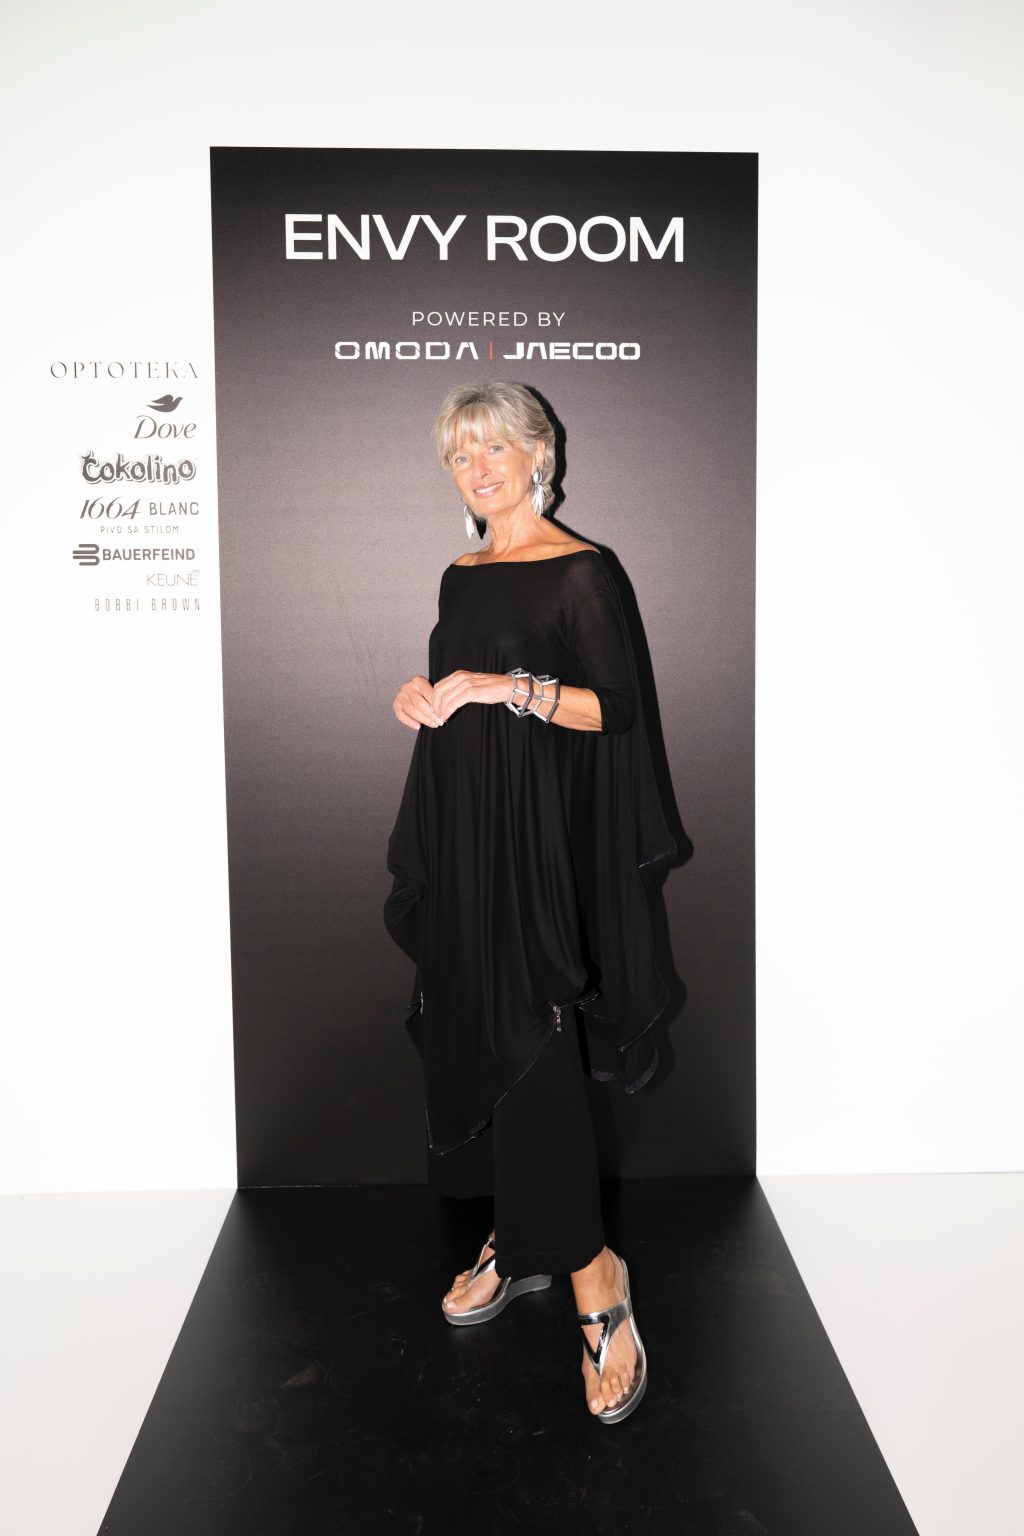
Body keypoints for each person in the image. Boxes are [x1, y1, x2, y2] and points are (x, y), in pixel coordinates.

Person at [383, 381, 678, 1424]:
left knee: (537, 1032)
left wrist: (505, 686)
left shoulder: (583, 571)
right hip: (465, 831)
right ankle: (522, 1233)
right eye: (460, 457)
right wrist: (424, 696)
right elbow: (452, 690)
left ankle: (595, 1274)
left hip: (540, 842)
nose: (479, 470)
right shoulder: (460, 575)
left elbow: (617, 710)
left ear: (538, 455)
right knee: (477, 1020)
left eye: (495, 450)